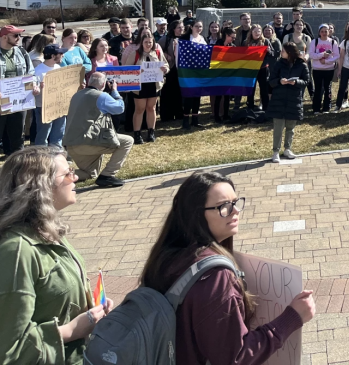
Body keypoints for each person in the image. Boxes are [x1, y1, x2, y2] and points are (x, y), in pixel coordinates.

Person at [140, 170, 314, 363]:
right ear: (195, 215)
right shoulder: (215, 277)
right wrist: (292, 317)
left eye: (235, 202)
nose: (235, 211)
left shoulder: (165, 256)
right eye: (224, 206)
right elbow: (235, 358)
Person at [0, 147, 116, 364]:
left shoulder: (48, 232)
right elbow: (9, 348)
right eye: (67, 173)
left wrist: (91, 307)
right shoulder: (17, 250)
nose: (76, 178)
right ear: (40, 187)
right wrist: (72, 330)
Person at [63, 71, 131, 187]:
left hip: (71, 145)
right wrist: (115, 91)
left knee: (90, 173)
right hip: (87, 143)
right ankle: (107, 175)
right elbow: (119, 108)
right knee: (128, 141)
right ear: (104, 84)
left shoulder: (76, 95)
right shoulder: (101, 96)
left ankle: (56, 178)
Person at [121, 30, 168, 144]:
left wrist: (165, 69)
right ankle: (137, 134)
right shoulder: (135, 54)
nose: (148, 44)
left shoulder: (157, 52)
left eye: (150, 42)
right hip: (140, 85)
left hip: (154, 84)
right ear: (142, 43)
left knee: (151, 108)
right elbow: (126, 69)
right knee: (139, 109)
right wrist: (137, 70)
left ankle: (151, 132)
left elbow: (165, 64)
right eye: (146, 42)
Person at [267, 42, 308, 162]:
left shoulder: (301, 65)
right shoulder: (278, 64)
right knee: (278, 128)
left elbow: (306, 81)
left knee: (290, 127)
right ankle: (276, 151)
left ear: (290, 52)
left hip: (294, 99)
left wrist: (296, 82)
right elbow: (271, 81)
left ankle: (287, 149)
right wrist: (280, 81)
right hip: (279, 99)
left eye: (283, 51)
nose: (281, 52)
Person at [0, 25, 37, 156]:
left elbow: (31, 72)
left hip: (19, 100)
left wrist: (34, 84)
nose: (19, 38)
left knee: (17, 134)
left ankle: (16, 161)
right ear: (4, 37)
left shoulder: (21, 52)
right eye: (15, 36)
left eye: (19, 35)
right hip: (1, 99)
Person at [33, 44, 68, 147]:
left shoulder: (58, 67)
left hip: (59, 105)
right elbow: (34, 92)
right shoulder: (38, 71)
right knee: (43, 133)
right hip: (44, 107)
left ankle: (56, 153)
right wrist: (38, 88)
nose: (63, 56)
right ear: (53, 56)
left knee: (59, 132)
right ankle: (41, 154)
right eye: (61, 54)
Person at [180, 20, 206, 130]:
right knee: (188, 96)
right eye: (196, 26)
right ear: (191, 27)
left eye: (200, 26)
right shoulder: (185, 39)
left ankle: (195, 120)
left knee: (197, 96)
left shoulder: (203, 39)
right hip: (188, 72)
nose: (198, 28)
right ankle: (185, 120)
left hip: (199, 72)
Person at [308, 24, 339, 113]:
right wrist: (322, 55)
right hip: (317, 69)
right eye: (322, 31)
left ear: (329, 32)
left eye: (326, 31)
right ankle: (316, 108)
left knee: (327, 88)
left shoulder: (333, 42)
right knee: (318, 89)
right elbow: (311, 55)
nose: (324, 33)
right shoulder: (315, 41)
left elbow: (336, 56)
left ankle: (326, 107)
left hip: (329, 69)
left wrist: (326, 61)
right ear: (319, 32)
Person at [259, 24, 281, 111]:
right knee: (263, 86)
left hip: (273, 67)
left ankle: (272, 102)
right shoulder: (260, 41)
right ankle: (262, 102)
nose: (267, 32)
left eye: (269, 30)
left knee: (272, 85)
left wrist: (269, 51)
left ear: (273, 32)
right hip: (263, 67)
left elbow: (277, 54)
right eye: (265, 30)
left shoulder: (276, 41)